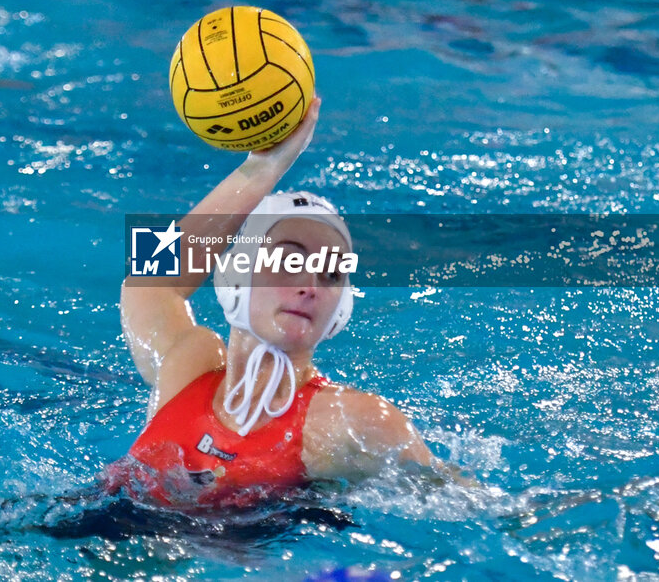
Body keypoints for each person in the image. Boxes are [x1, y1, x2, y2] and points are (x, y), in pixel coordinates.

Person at [106, 98, 435, 507]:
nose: (310, 284)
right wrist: (261, 169)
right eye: (290, 260)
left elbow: (470, 508)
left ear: (340, 312)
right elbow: (148, 279)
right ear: (236, 275)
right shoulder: (189, 369)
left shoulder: (353, 422)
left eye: (330, 272)